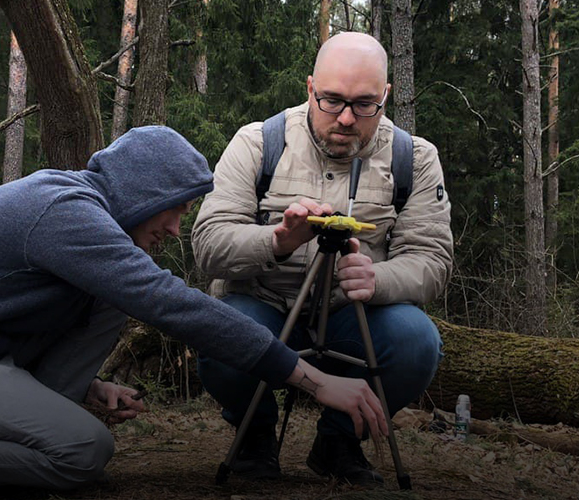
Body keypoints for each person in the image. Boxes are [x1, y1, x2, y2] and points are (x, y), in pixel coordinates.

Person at [0, 125, 389, 500]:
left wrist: (88, 386)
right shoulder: (66, 212)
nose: (176, 227)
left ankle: (21, 453)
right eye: (175, 207)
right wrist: (313, 381)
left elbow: (11, 316)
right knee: (85, 450)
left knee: (108, 301)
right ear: (143, 190)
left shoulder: (82, 212)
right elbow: (174, 306)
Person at [192, 32, 453, 487]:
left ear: (386, 96)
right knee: (220, 331)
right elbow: (208, 245)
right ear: (309, 87)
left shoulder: (415, 157)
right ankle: (254, 436)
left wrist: (378, 278)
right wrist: (277, 242)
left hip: (353, 318)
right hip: (264, 308)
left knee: (417, 341)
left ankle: (339, 441)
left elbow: (432, 259)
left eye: (365, 104)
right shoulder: (258, 143)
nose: (347, 118)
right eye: (331, 100)